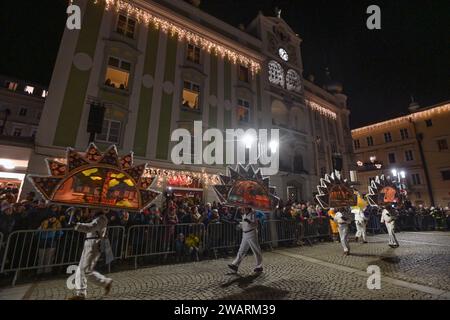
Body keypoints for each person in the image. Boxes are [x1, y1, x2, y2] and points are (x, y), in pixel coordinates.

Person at [68, 209, 113, 300]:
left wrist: (77, 225)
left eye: (92, 210)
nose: (90, 211)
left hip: (94, 244)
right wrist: (74, 216)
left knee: (86, 270)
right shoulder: (96, 218)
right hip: (89, 243)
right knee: (81, 269)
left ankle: (105, 282)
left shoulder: (102, 219)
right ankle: (81, 293)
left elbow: (90, 227)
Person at [228, 207, 263, 273]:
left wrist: (247, 220)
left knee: (256, 250)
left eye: (244, 208)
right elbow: (245, 223)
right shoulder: (244, 214)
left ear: (248, 208)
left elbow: (255, 224)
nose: (242, 209)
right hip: (245, 234)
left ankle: (259, 266)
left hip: (252, 233)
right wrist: (240, 225)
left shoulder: (253, 213)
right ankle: (235, 264)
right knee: (241, 250)